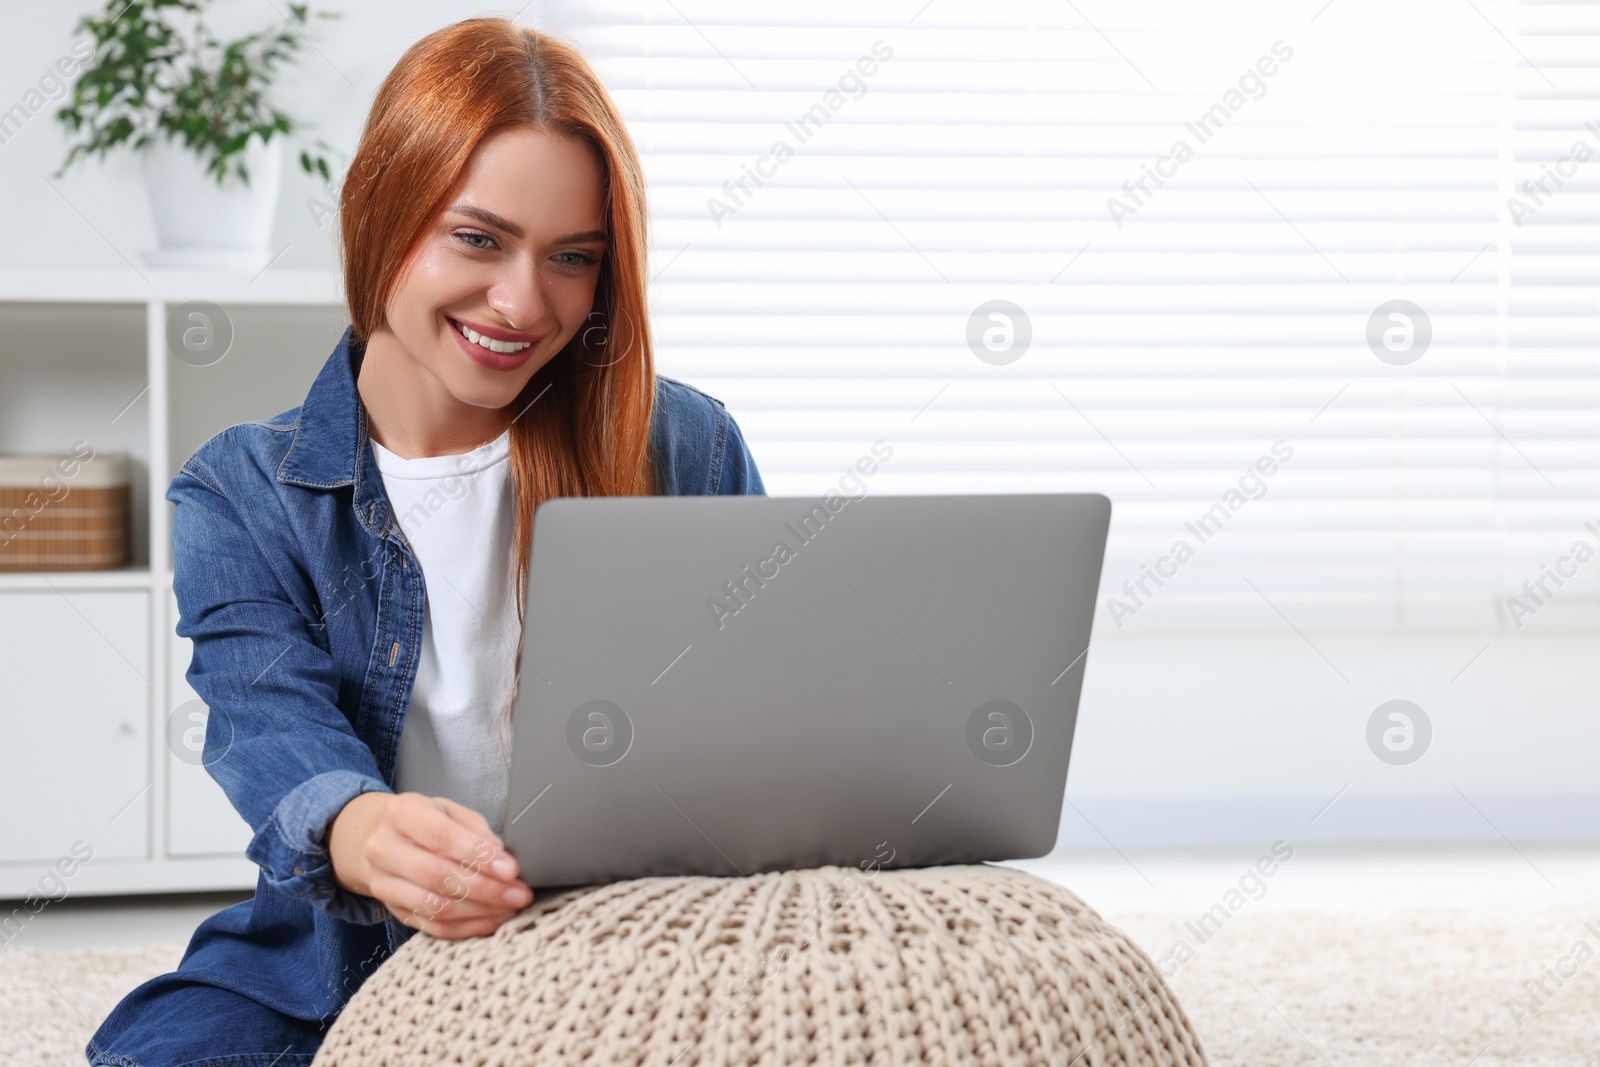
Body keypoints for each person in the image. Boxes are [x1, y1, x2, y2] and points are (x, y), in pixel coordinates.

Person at [86, 16, 765, 1066]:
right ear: (381, 208)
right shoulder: (242, 488)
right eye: (478, 237)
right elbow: (264, 719)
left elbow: (761, 718)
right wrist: (362, 832)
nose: (521, 302)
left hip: (619, 939)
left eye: (572, 258)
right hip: (333, 957)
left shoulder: (685, 444)